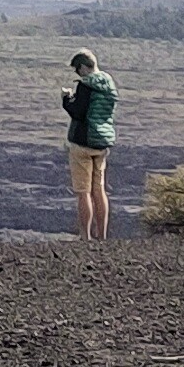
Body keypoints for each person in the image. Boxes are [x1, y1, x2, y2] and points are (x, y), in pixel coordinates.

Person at [60, 47, 118, 240]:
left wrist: (66, 99)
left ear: (84, 67)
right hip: (101, 142)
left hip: (83, 142)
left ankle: (86, 237)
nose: (78, 74)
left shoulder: (86, 86)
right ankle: (102, 235)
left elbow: (78, 112)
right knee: (99, 190)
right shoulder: (109, 84)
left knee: (83, 191)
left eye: (78, 69)